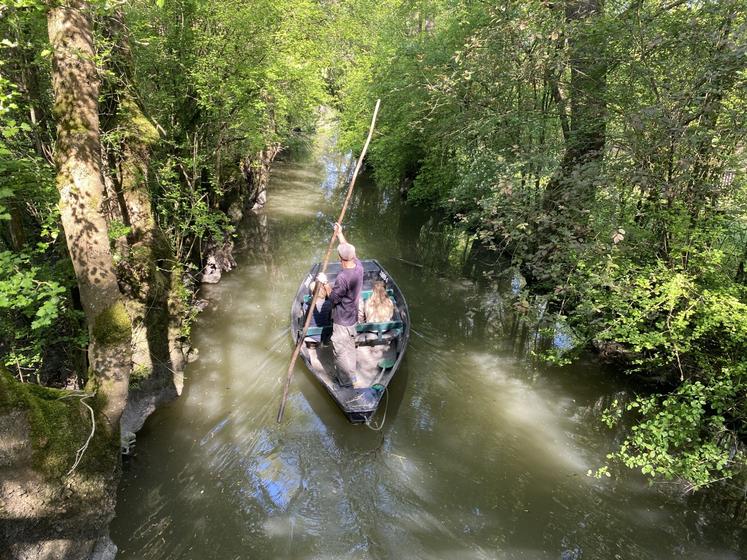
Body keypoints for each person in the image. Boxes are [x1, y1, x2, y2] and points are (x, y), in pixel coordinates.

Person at [316, 223, 363, 388]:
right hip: (353, 318)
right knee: (350, 348)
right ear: (353, 256)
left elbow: (333, 299)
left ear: (339, 259)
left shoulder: (343, 277)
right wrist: (340, 233)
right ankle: (353, 376)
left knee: (341, 351)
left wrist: (325, 282)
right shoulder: (359, 267)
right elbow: (347, 249)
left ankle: (345, 383)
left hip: (342, 321)